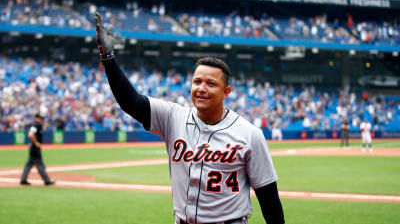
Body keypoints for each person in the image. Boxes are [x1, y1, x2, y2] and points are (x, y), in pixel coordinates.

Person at [95, 13, 285, 224]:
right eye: (197, 82)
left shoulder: (250, 135)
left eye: (211, 84)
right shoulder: (172, 117)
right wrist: (109, 59)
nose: (202, 88)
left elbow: (269, 198)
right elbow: (130, 101)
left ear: (226, 92)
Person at [20, 114, 55, 186]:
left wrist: (32, 143)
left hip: (32, 147)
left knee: (29, 164)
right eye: (41, 118)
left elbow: (31, 134)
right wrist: (35, 143)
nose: (42, 120)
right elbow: (30, 134)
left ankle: (23, 179)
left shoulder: (34, 125)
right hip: (35, 148)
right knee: (40, 164)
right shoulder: (37, 125)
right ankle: (47, 180)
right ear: (37, 118)